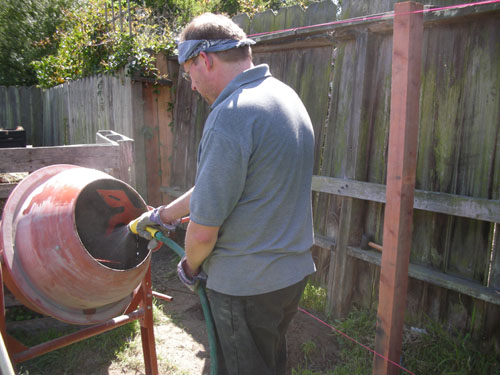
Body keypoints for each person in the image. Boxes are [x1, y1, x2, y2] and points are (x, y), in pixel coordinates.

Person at [134, 12, 316, 375]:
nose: (193, 86)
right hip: (289, 277)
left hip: (244, 287)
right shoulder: (283, 96)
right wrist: (162, 216)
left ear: (204, 59)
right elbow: (221, 184)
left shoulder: (231, 115)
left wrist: (189, 266)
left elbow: (202, 233)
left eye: (189, 74)